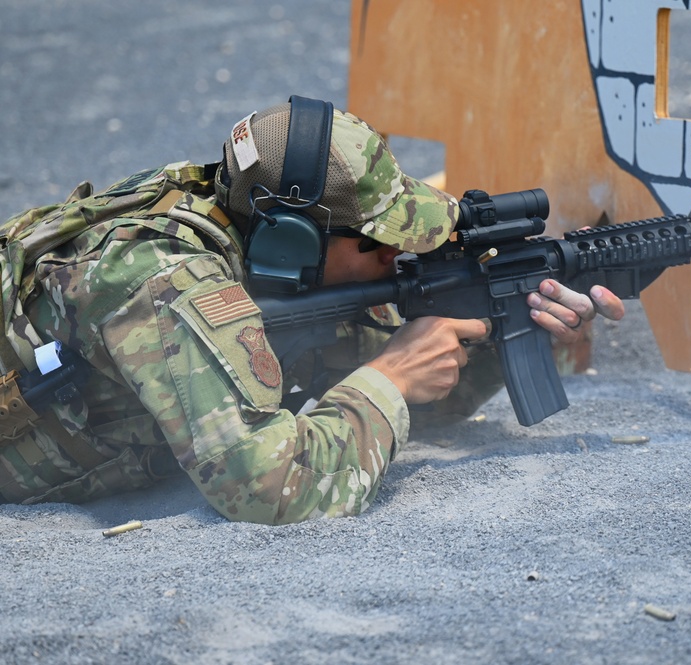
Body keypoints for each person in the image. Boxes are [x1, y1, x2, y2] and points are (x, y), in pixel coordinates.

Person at [0, 96, 624, 524]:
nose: (401, 250)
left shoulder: (248, 234)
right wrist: (393, 376)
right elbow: (269, 490)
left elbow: (400, 392)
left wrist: (505, 322)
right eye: (378, 238)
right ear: (292, 242)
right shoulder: (167, 281)